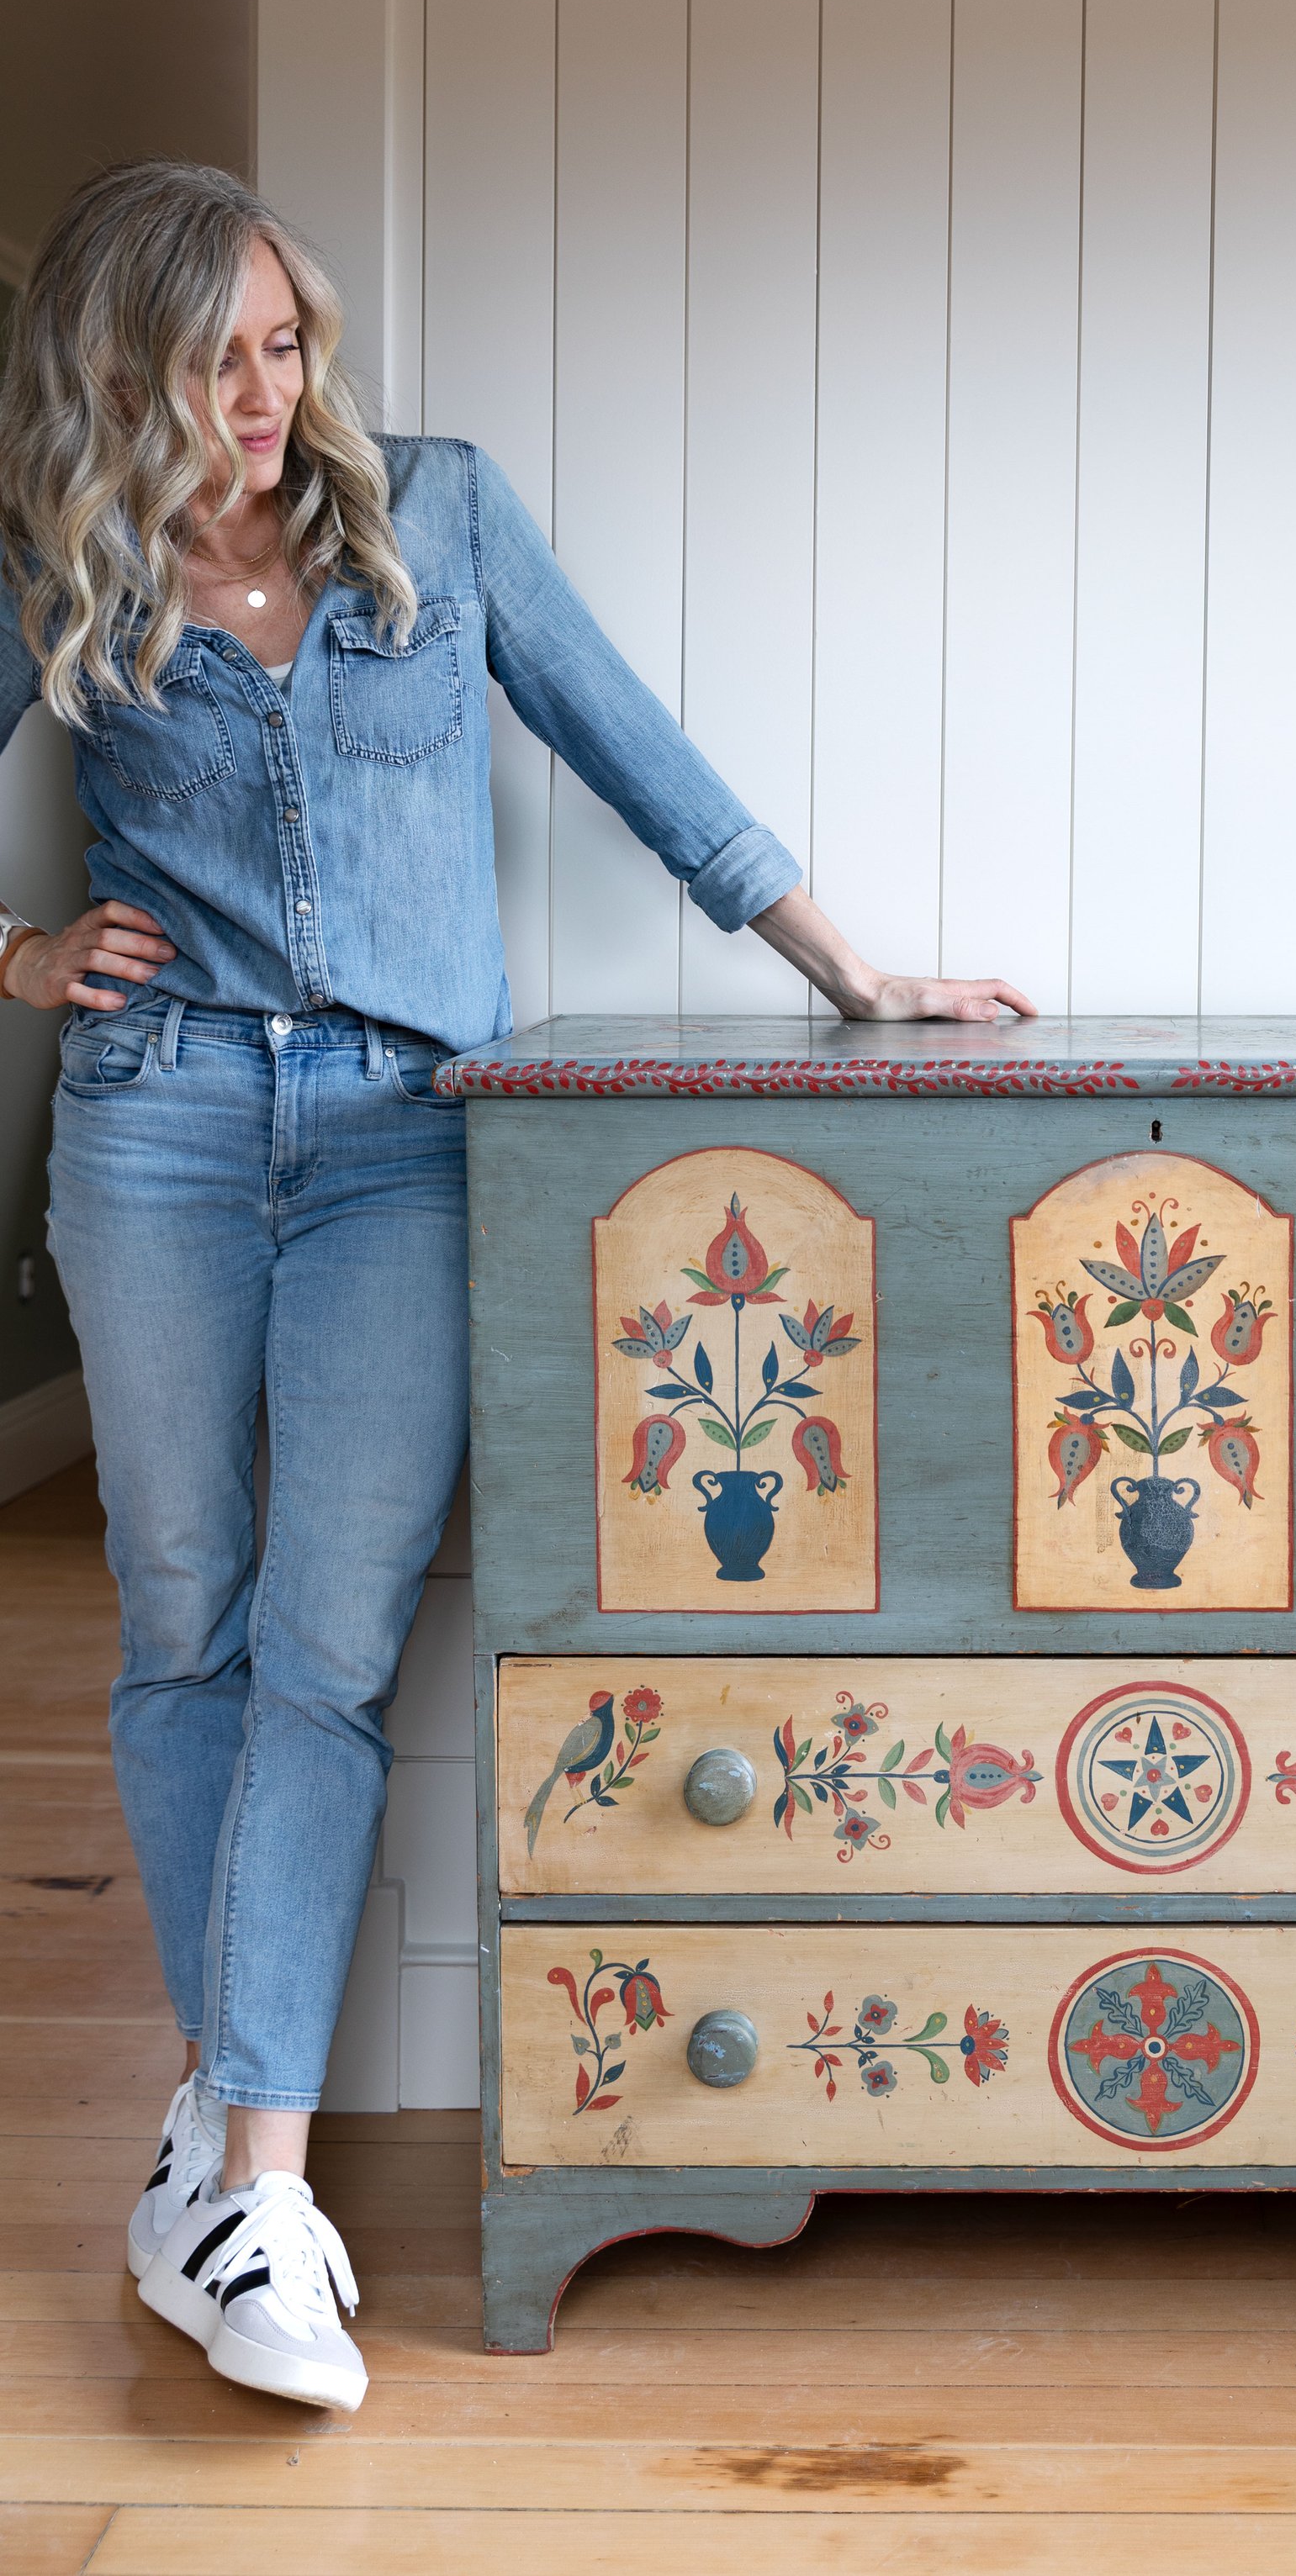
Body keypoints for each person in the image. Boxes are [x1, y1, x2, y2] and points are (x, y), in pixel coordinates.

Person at [0, 158, 1032, 2412]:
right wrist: (12, 954)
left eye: (280, 344)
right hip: (157, 1116)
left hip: (405, 1144)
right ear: (115, 368)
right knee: (177, 1615)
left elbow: (633, 753)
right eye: (206, 357)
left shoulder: (433, 522)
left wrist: (855, 974)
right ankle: (238, 2165)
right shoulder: (57, 556)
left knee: (329, 1640)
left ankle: (242, 2171)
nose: (255, 395)